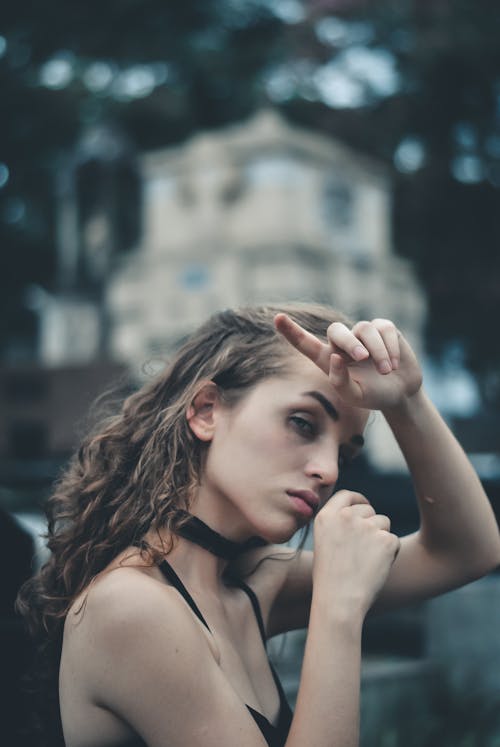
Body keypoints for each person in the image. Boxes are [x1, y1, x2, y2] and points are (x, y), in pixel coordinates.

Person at [17, 302, 500, 747]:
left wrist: (406, 399)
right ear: (207, 411)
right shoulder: (129, 606)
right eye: (303, 423)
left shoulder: (252, 582)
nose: (328, 471)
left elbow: (466, 551)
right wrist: (339, 609)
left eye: (345, 453)